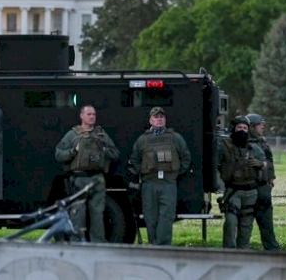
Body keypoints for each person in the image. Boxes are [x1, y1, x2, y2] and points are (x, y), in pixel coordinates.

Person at [55, 105, 119, 242]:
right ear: (82, 116)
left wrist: (104, 149)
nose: (92, 117)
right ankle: (77, 243)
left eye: (94, 114)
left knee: (97, 214)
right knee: (77, 214)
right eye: (89, 114)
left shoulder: (101, 134)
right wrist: (73, 151)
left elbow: (115, 154)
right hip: (79, 179)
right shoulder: (73, 134)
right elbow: (59, 155)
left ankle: (98, 244)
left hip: (97, 179)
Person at [128, 106, 191, 245]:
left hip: (168, 184)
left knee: (166, 217)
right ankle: (153, 245)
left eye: (161, 117)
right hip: (149, 184)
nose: (159, 119)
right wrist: (143, 172)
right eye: (156, 117)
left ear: (165, 119)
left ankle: (163, 247)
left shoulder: (175, 138)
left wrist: (176, 173)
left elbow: (186, 158)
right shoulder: (143, 140)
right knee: (151, 218)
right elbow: (134, 160)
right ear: (150, 120)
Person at [217, 115, 267, 249]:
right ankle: (229, 253)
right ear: (233, 128)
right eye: (239, 127)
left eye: (245, 128)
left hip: (251, 193)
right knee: (231, 223)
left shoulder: (252, 147)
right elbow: (215, 165)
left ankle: (243, 253)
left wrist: (260, 164)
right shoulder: (224, 146)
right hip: (233, 192)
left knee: (246, 227)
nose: (242, 130)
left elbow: (265, 163)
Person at [246, 113, 281, 251]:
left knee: (267, 223)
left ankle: (272, 248)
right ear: (252, 127)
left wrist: (270, 180)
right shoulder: (244, 143)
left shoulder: (263, 142)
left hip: (264, 187)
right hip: (250, 188)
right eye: (260, 124)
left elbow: (270, 163)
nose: (263, 127)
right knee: (245, 224)